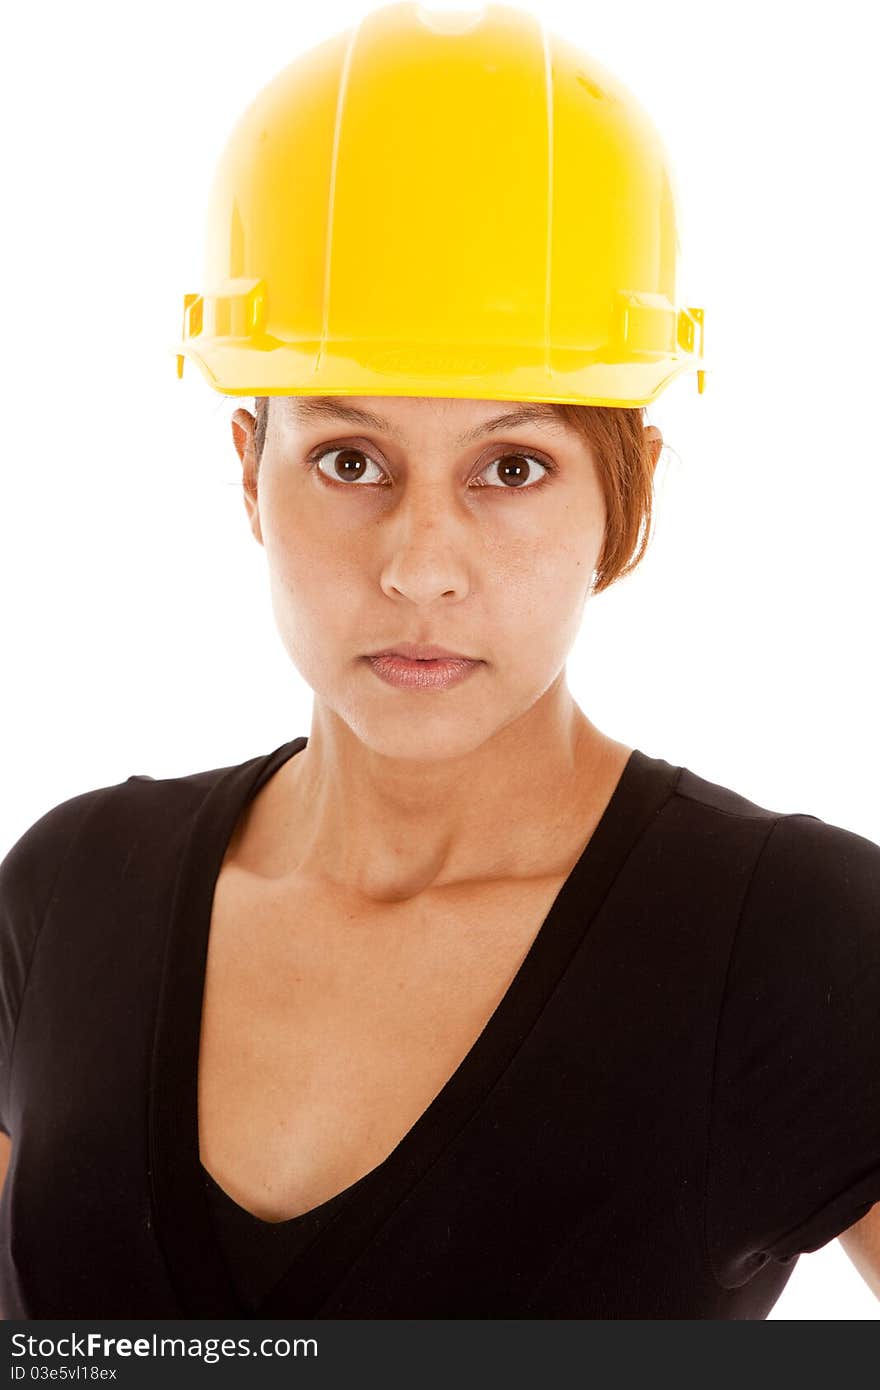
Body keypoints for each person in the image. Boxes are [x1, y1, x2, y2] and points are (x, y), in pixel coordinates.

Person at [1, 0, 879, 1321]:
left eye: (510, 467)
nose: (420, 565)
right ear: (250, 471)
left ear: (620, 491)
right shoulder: (68, 894)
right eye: (349, 461)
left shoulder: (802, 941)